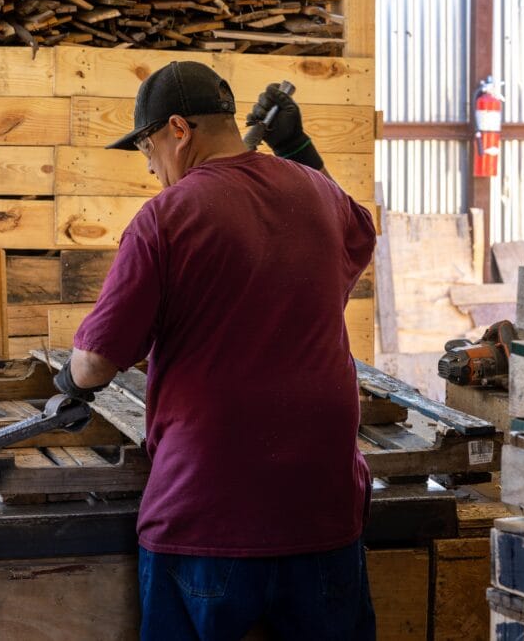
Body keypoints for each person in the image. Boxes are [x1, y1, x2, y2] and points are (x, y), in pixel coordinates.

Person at [51, 61, 377, 640]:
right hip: (321, 509)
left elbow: (97, 360)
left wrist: (70, 383)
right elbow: (358, 229)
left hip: (206, 511)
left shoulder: (166, 217)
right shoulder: (317, 192)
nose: (150, 167)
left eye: (147, 148)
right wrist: (297, 149)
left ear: (178, 130)